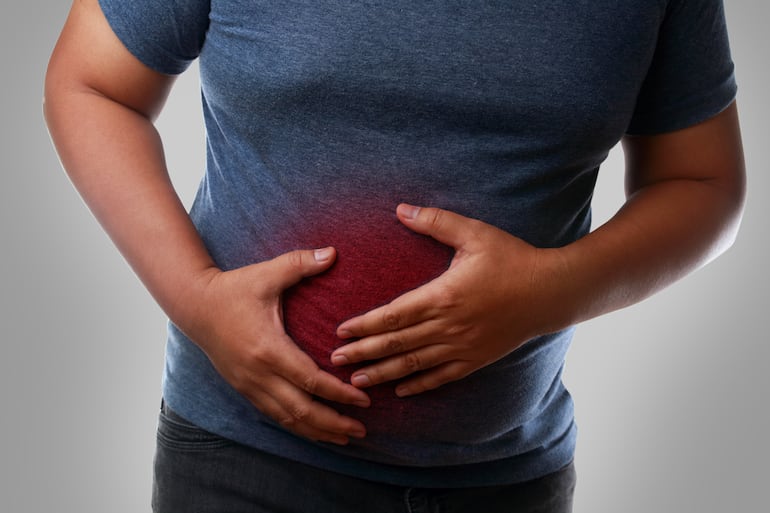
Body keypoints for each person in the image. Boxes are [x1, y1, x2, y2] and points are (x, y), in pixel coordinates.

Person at [44, 0, 745, 511]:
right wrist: (196, 296)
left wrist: (550, 289)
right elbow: (91, 86)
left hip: (507, 480)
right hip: (243, 464)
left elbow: (703, 184)